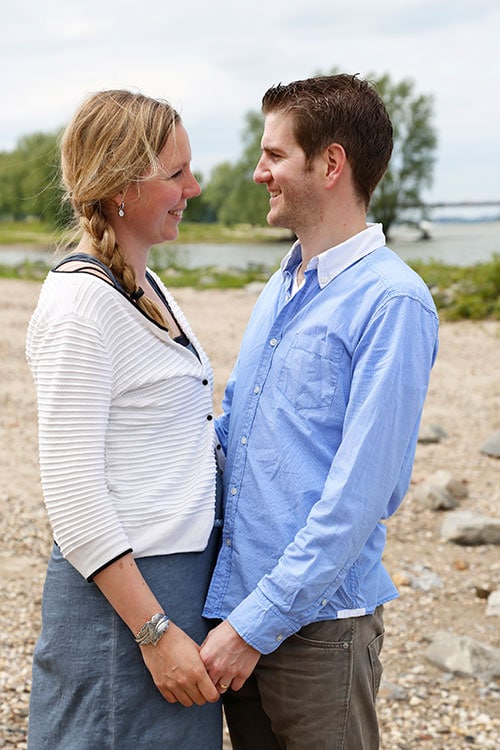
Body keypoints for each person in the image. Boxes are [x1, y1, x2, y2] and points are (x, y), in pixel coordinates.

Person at [200, 74, 439, 749]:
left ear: (330, 163)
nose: (258, 171)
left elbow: (360, 497)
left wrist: (254, 627)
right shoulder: (283, 283)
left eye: (274, 155)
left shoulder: (393, 301)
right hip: (238, 613)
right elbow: (236, 435)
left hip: (319, 634)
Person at [26, 89, 224, 749]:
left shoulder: (145, 284)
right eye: (175, 174)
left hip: (174, 591)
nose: (192, 187)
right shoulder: (81, 305)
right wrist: (155, 634)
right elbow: (74, 498)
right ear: (118, 187)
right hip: (126, 610)